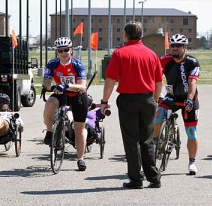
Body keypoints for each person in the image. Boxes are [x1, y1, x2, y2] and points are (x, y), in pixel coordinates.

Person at [100, 22, 163, 189]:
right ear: (141, 35)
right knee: (147, 140)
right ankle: (154, 177)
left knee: (131, 140)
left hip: (128, 99)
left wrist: (104, 101)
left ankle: (136, 179)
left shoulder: (120, 53)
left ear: (125, 35)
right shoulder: (152, 54)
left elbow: (110, 80)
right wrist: (155, 100)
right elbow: (159, 81)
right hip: (148, 99)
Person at [153, 33, 200, 175]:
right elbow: (156, 78)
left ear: (185, 48)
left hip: (189, 99)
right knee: (159, 113)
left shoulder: (192, 62)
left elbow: (192, 82)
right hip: (172, 96)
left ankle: (192, 162)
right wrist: (154, 96)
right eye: (173, 46)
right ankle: (155, 142)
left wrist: (190, 99)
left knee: (191, 132)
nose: (175, 48)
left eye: (178, 46)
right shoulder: (165, 60)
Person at [42, 37, 88, 171]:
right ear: (56, 52)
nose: (63, 53)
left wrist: (66, 85)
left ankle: (80, 159)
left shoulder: (77, 65)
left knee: (79, 128)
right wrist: (51, 87)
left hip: (78, 95)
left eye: (66, 50)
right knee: (50, 103)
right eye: (60, 50)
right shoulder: (52, 64)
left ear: (71, 50)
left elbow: (82, 87)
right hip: (60, 93)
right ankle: (50, 132)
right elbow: (46, 82)